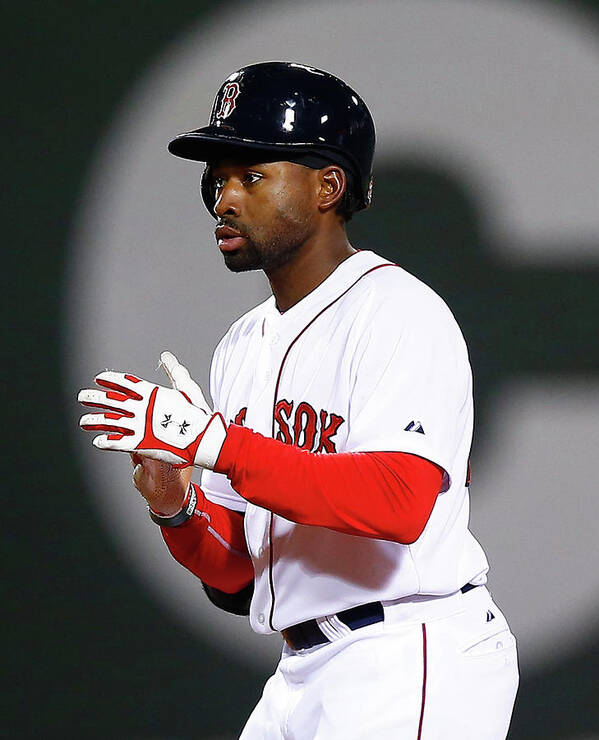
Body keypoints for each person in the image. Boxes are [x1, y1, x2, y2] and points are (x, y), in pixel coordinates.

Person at [78, 61, 519, 739]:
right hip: (302, 671)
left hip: (407, 651)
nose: (224, 199)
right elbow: (234, 579)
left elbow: (396, 503)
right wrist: (174, 503)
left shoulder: (396, 310)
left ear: (327, 185)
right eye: (218, 179)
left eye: (251, 176)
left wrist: (216, 443)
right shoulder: (241, 345)